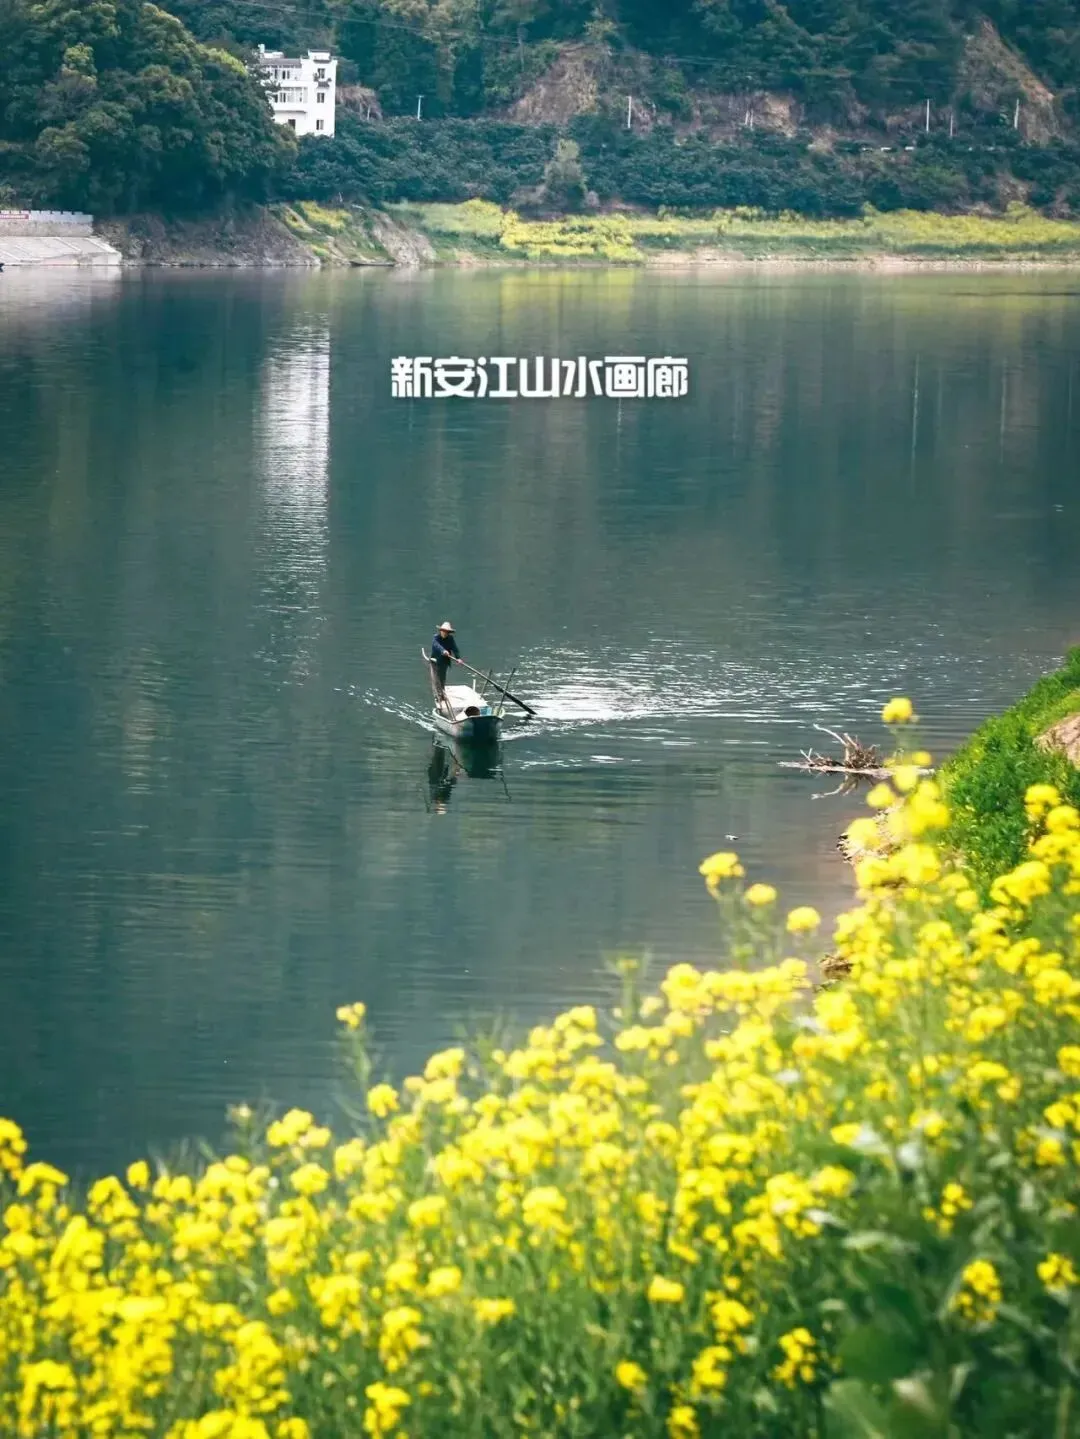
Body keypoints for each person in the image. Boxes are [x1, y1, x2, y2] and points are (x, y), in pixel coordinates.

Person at [430, 621, 460, 697]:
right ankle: (438, 693)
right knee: (436, 676)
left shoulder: (450, 638)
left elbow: (455, 648)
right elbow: (436, 645)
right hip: (435, 660)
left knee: (442, 676)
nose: (445, 633)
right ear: (440, 631)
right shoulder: (436, 637)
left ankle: (442, 691)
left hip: (444, 661)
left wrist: (458, 658)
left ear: (449, 633)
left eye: (447, 632)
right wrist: (443, 650)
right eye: (443, 631)